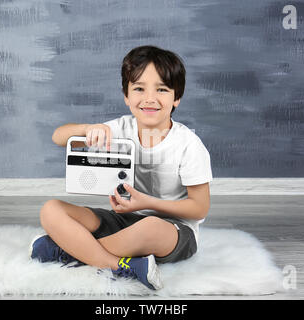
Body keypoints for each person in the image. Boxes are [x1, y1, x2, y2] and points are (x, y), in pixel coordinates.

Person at [30, 45, 213, 290]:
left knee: (149, 226)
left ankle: (67, 250)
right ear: (127, 96)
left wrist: (146, 203)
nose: (149, 98)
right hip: (123, 220)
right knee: (51, 209)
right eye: (139, 89)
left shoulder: (189, 144)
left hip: (172, 231)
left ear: (176, 97)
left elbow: (199, 208)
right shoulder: (119, 129)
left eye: (161, 89)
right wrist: (87, 130)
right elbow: (58, 136)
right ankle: (118, 266)